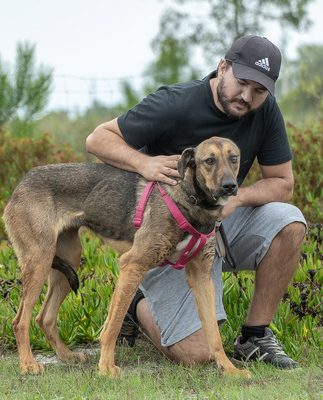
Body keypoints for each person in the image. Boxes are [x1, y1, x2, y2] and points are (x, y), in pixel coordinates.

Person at [86, 35, 306, 369]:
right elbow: (97, 138)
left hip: (220, 221)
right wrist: (143, 163)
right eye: (242, 83)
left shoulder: (265, 111)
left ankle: (254, 336)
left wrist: (239, 199)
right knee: (196, 355)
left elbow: (283, 183)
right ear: (223, 67)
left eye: (259, 91)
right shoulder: (176, 102)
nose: (247, 97)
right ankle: (137, 303)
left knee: (289, 221)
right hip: (165, 234)